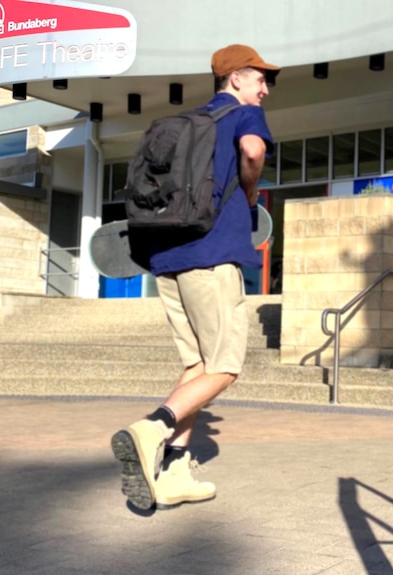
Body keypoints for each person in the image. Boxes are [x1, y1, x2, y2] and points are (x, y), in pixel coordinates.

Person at [111, 44, 279, 511]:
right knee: (225, 366)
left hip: (168, 257)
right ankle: (153, 428)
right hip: (211, 255)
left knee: (197, 367)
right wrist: (249, 197)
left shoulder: (182, 124)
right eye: (260, 78)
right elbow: (252, 151)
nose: (265, 88)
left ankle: (176, 470)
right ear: (236, 79)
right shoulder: (241, 116)